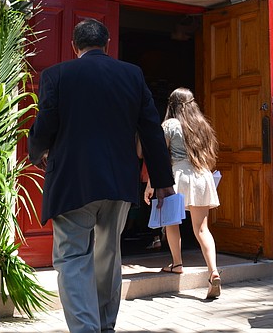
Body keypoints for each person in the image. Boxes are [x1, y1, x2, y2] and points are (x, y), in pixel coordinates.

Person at [28, 18, 175, 333]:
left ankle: (86, 329)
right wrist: (163, 180)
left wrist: (36, 150)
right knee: (108, 254)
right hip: (117, 182)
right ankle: (106, 325)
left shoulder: (57, 75)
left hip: (72, 181)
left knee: (72, 257)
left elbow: (46, 124)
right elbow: (150, 129)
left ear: (73, 46)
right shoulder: (132, 75)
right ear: (107, 45)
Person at [145, 87, 222, 299]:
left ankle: (177, 263)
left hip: (178, 175)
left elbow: (159, 156)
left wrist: (151, 183)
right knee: (202, 229)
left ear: (172, 104)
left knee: (172, 222)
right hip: (202, 176)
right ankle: (213, 271)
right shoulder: (202, 125)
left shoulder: (170, 125)